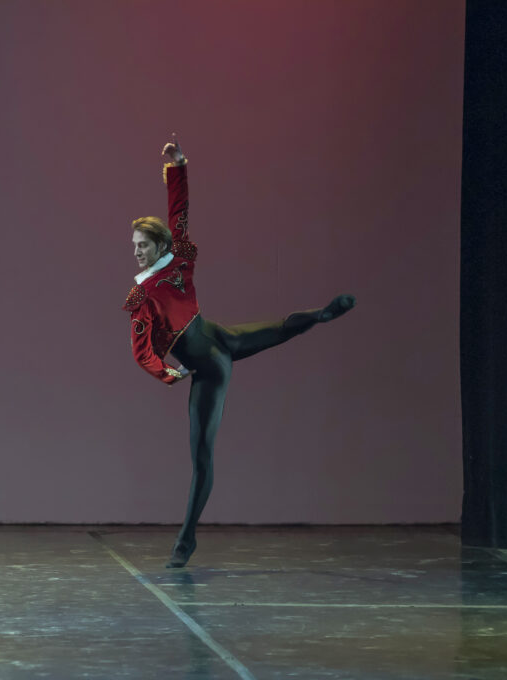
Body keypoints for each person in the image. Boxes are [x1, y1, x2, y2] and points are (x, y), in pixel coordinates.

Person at [124, 138, 355, 568]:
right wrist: (169, 373)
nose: (136, 251)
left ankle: (322, 314)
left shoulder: (172, 268)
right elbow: (142, 352)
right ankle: (187, 538)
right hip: (211, 356)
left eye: (142, 244)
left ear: (159, 246)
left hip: (217, 350)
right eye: (134, 245)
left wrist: (178, 167)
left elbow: (179, 213)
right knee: (203, 457)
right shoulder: (147, 291)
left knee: (277, 331)